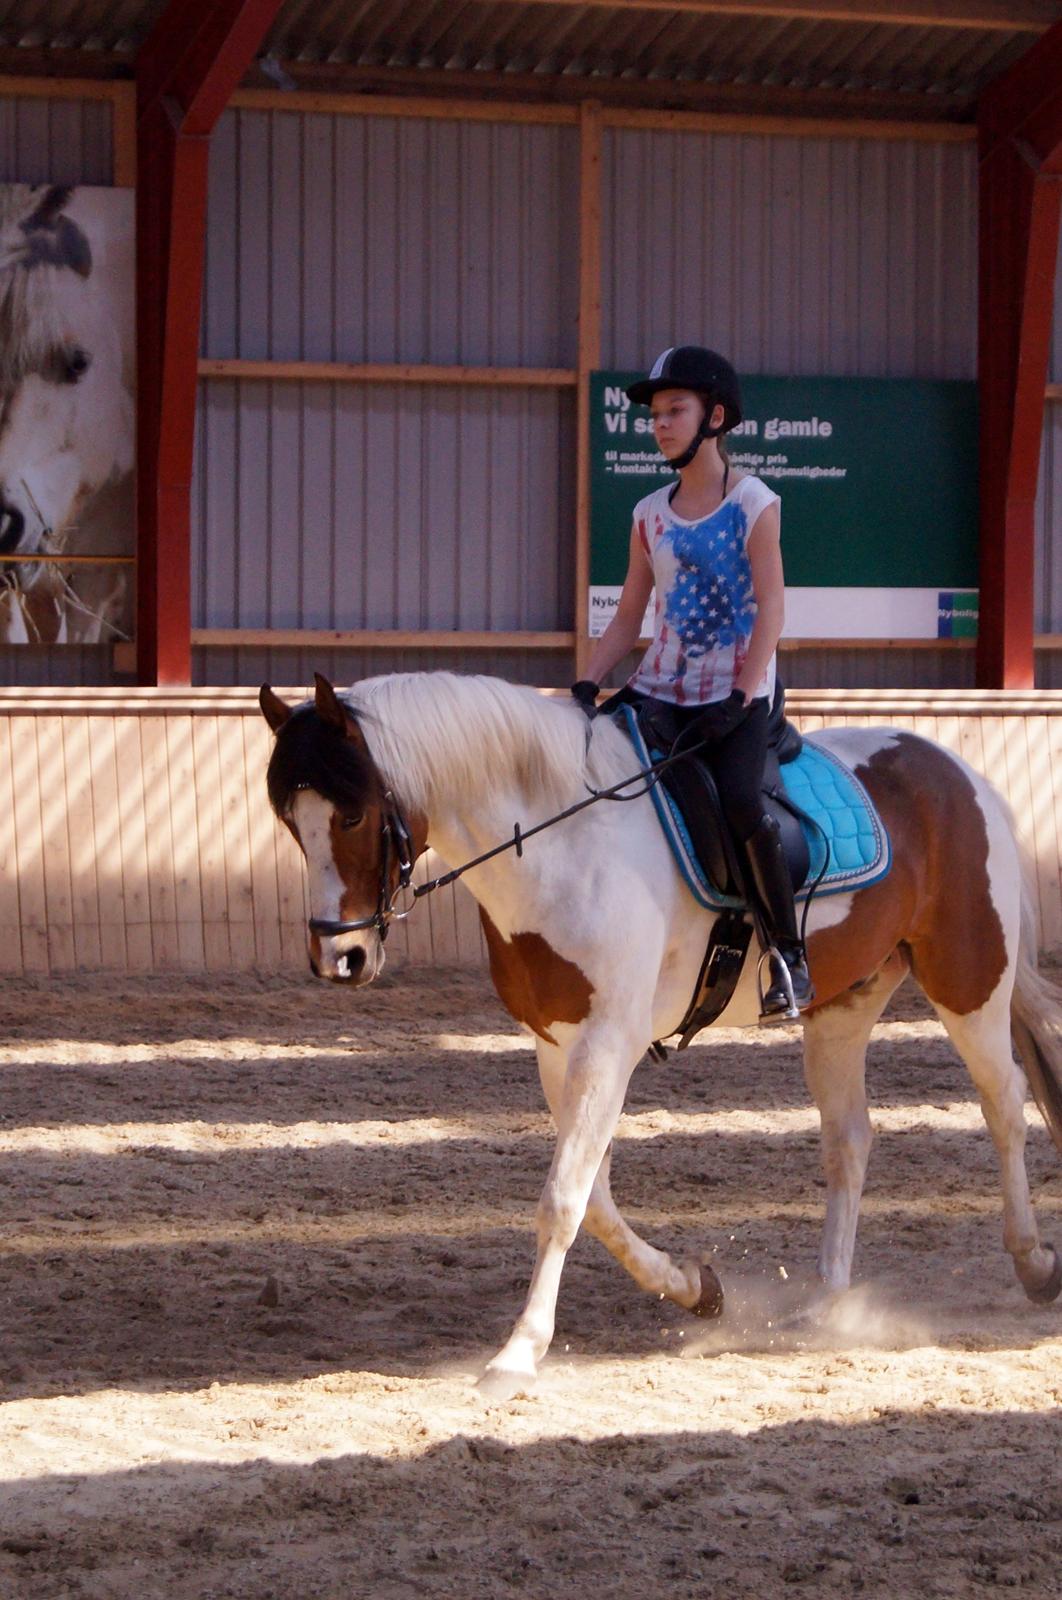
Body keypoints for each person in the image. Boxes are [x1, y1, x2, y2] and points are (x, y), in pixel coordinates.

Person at [572, 345, 813, 1018]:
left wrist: (742, 693)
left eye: (675, 409)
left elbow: (772, 607)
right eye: (655, 414)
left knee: (741, 801)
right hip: (662, 689)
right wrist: (589, 683)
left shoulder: (753, 502)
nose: (661, 423)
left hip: (737, 696)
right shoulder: (649, 513)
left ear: (716, 417)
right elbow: (628, 614)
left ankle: (788, 956)